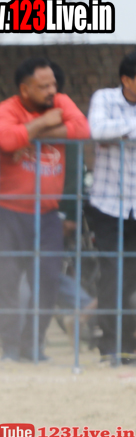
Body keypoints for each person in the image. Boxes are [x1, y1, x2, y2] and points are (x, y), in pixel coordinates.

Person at [0, 56, 90, 362]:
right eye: (43, 86)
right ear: (25, 89)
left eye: (53, 84)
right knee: (6, 282)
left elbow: (82, 129)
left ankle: (33, 347)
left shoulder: (60, 102)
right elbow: (5, 138)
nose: (51, 91)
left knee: (47, 281)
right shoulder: (7, 109)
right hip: (7, 211)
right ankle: (9, 349)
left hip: (47, 214)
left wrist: (33, 134)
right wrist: (44, 122)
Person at [87, 50, 136, 364]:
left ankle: (127, 344)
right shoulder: (104, 98)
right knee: (112, 274)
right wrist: (129, 129)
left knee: (130, 278)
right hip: (107, 206)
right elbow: (95, 130)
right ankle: (109, 345)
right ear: (126, 80)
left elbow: (109, 130)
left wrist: (120, 131)